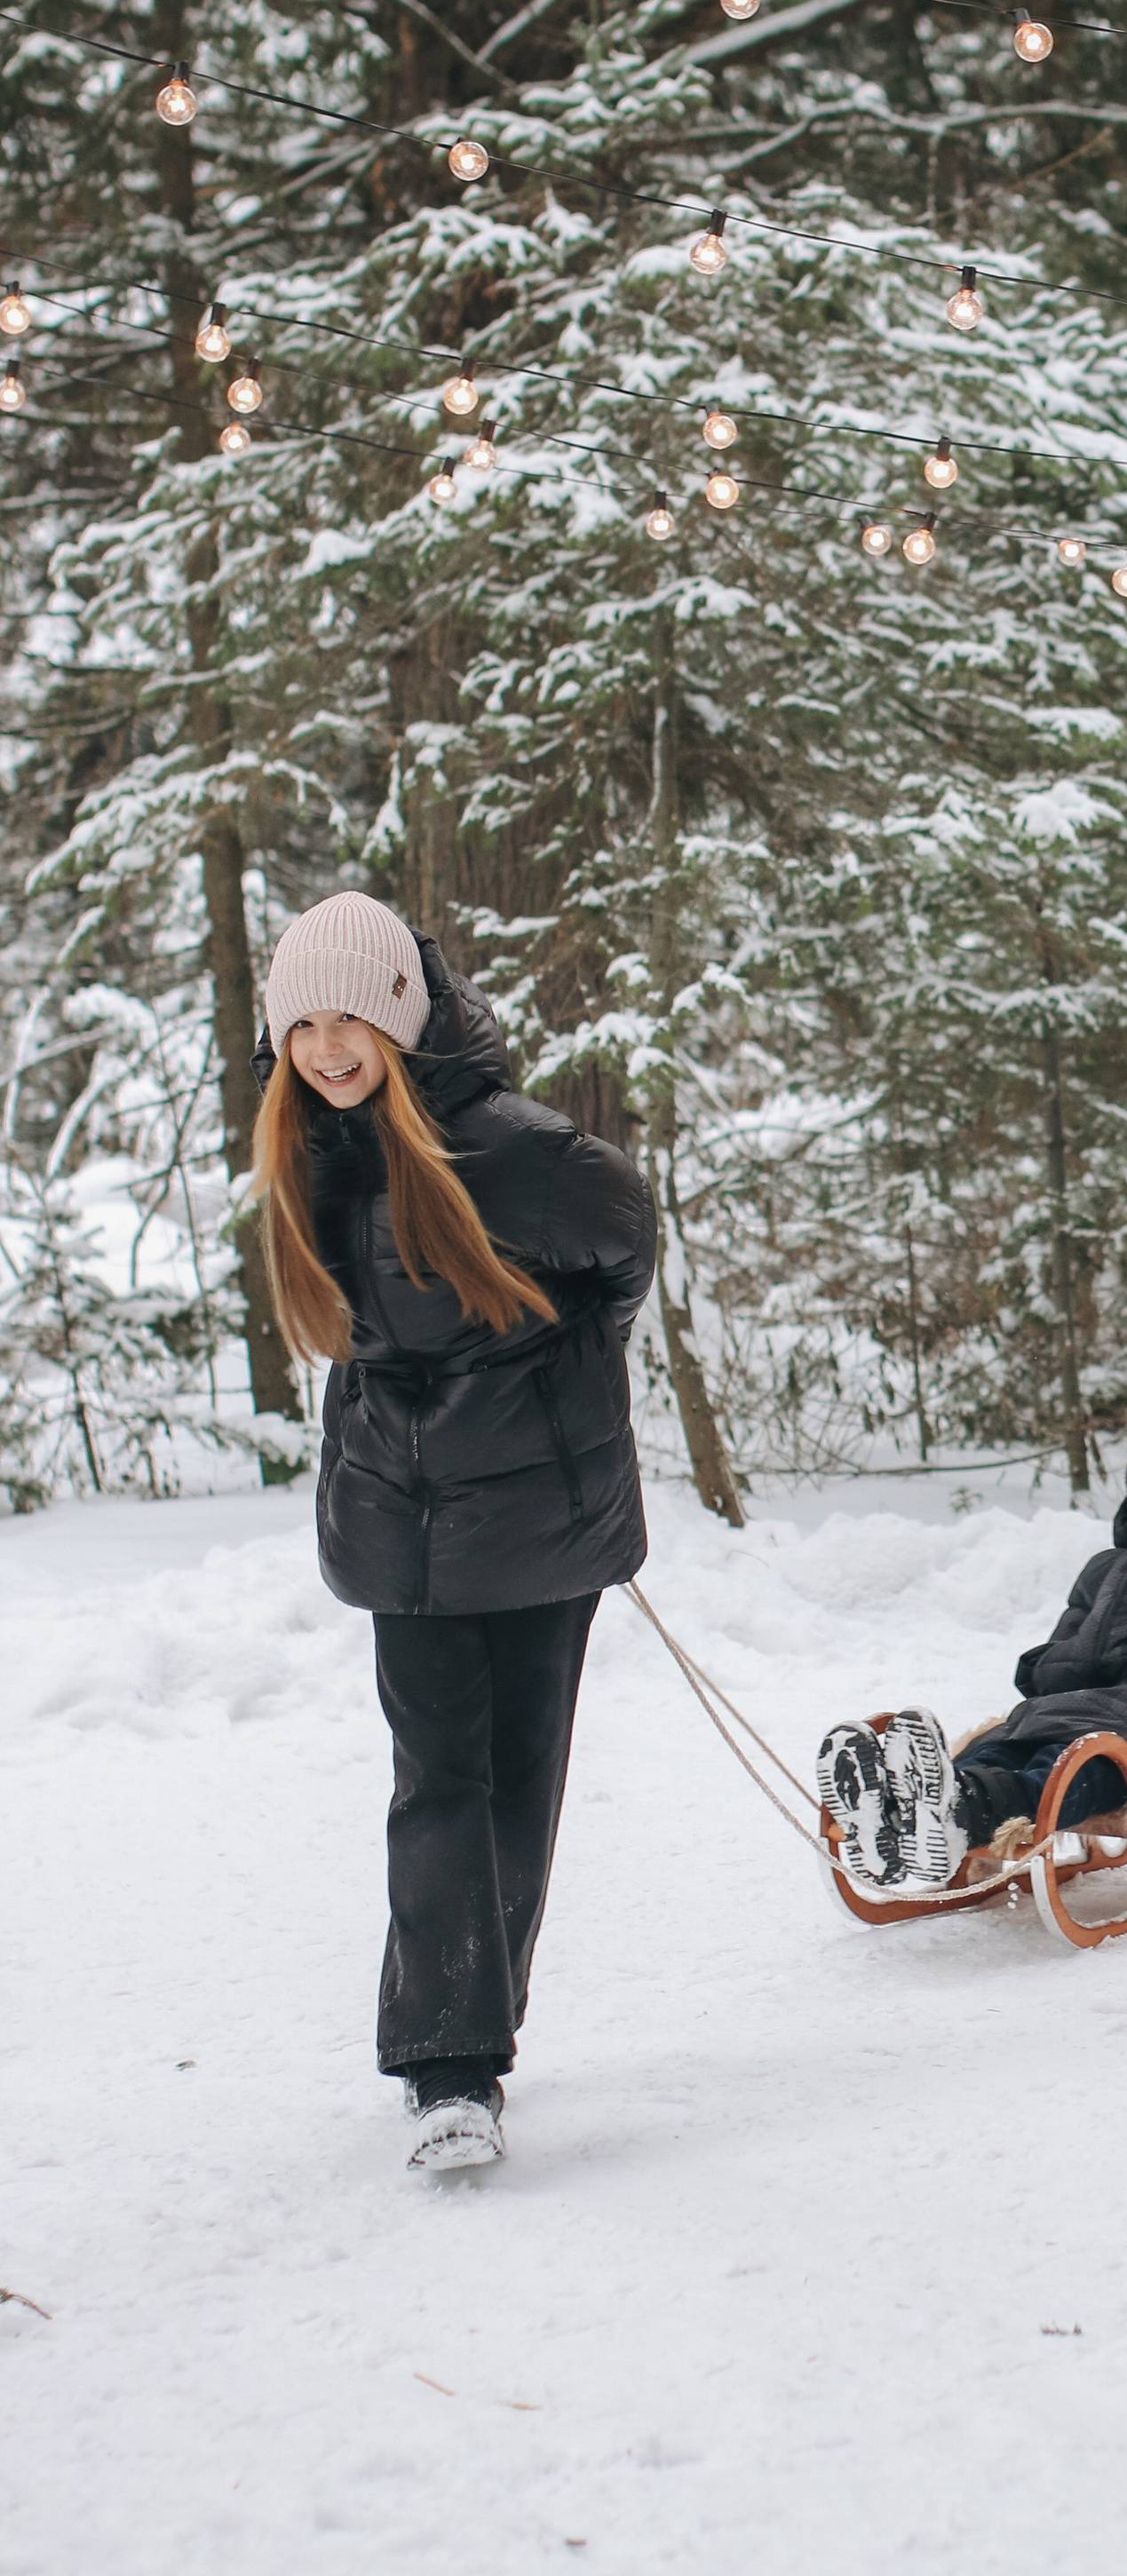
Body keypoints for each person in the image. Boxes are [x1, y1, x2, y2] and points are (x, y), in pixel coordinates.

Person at [250, 892, 655, 2168]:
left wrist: (550, 1368)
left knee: (515, 1786)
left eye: (350, 1018)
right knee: (437, 1783)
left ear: (402, 1015)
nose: (326, 1048)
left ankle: (479, 2026)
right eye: (301, 1024)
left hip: (535, 1508)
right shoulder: (303, 1148)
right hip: (398, 1518)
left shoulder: (517, 1150)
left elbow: (622, 1251)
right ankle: (448, 2071)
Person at [819, 1358, 1127, 1896]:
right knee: (1008, 1741)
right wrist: (1056, 1664)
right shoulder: (1110, 1566)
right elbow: (1064, 1649)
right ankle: (899, 1815)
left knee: (1078, 1762)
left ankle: (956, 1817)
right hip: (1081, 1704)